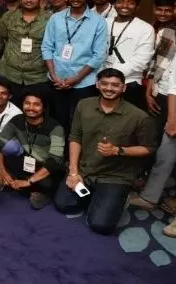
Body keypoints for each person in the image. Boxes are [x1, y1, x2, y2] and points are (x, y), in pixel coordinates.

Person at [54, 69, 155, 235]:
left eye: (115, 85)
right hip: (86, 170)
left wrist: (118, 150)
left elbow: (148, 148)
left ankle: (119, 197)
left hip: (115, 175)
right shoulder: (84, 105)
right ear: (97, 85)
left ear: (123, 88)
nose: (109, 88)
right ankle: (98, 196)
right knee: (64, 204)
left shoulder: (138, 116)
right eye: (105, 84)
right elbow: (75, 137)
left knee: (100, 224)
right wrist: (73, 172)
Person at [129, 37, 176, 238]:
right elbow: (174, 88)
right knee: (164, 157)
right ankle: (149, 198)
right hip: (175, 118)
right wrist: (172, 120)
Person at [42, 0, 106, 128]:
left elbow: (99, 55)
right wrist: (53, 75)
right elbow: (47, 47)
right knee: (56, 121)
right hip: (56, 80)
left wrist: (76, 79)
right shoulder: (55, 18)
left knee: (81, 122)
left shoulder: (98, 21)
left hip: (84, 82)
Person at [0, 89, 64, 209]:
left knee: (48, 183)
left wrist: (29, 181)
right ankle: (28, 189)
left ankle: (34, 190)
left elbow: (55, 160)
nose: (31, 108)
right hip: (26, 162)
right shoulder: (17, 120)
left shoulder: (55, 127)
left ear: (44, 107)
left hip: (45, 167)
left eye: (36, 104)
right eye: (27, 103)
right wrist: (2, 170)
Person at [0, 0, 52, 108]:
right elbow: (3, 38)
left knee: (35, 110)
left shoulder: (49, 19)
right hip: (10, 73)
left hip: (38, 76)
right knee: (10, 110)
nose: (29, 0)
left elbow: (53, 45)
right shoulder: (9, 17)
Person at [103, 0, 156, 108]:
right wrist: (103, 76)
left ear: (137, 6)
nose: (124, 6)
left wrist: (112, 76)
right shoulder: (104, 23)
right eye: (120, 1)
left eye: (130, 3)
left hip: (129, 83)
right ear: (114, 4)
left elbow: (141, 61)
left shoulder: (145, 28)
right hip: (101, 81)